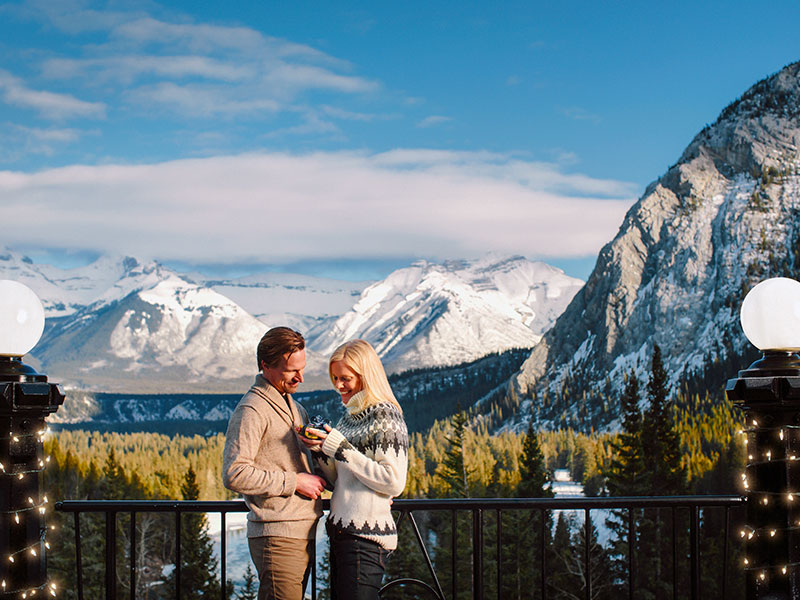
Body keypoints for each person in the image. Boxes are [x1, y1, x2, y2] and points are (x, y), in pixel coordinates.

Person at [300, 339, 409, 600]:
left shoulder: (385, 415)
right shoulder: (349, 418)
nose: (338, 385)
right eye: (335, 378)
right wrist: (319, 450)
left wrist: (340, 447)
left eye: (345, 378)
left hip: (365, 538)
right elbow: (339, 478)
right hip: (343, 533)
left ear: (365, 376)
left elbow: (393, 481)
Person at [222, 327, 326, 600]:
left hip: (299, 531)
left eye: (302, 369)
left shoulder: (293, 406)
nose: (300, 378)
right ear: (266, 365)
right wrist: (295, 481)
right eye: (292, 371)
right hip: (277, 536)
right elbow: (235, 473)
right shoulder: (252, 409)